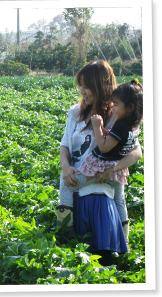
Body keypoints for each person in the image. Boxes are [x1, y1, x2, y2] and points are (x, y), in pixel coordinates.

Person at [56, 60, 142, 265]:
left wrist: (112, 169)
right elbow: (65, 145)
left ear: (101, 86)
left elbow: (137, 152)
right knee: (65, 181)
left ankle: (67, 235)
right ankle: (120, 244)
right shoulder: (74, 112)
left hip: (105, 174)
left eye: (87, 86)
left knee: (117, 197)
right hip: (80, 170)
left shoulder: (117, 115)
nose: (83, 91)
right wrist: (66, 166)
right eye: (81, 86)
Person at [79, 79, 143, 227]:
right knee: (119, 200)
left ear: (130, 107)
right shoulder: (135, 125)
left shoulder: (121, 125)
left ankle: (66, 227)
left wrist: (97, 126)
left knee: (70, 184)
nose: (113, 109)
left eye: (116, 105)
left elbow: (104, 147)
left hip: (100, 167)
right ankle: (124, 239)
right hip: (118, 170)